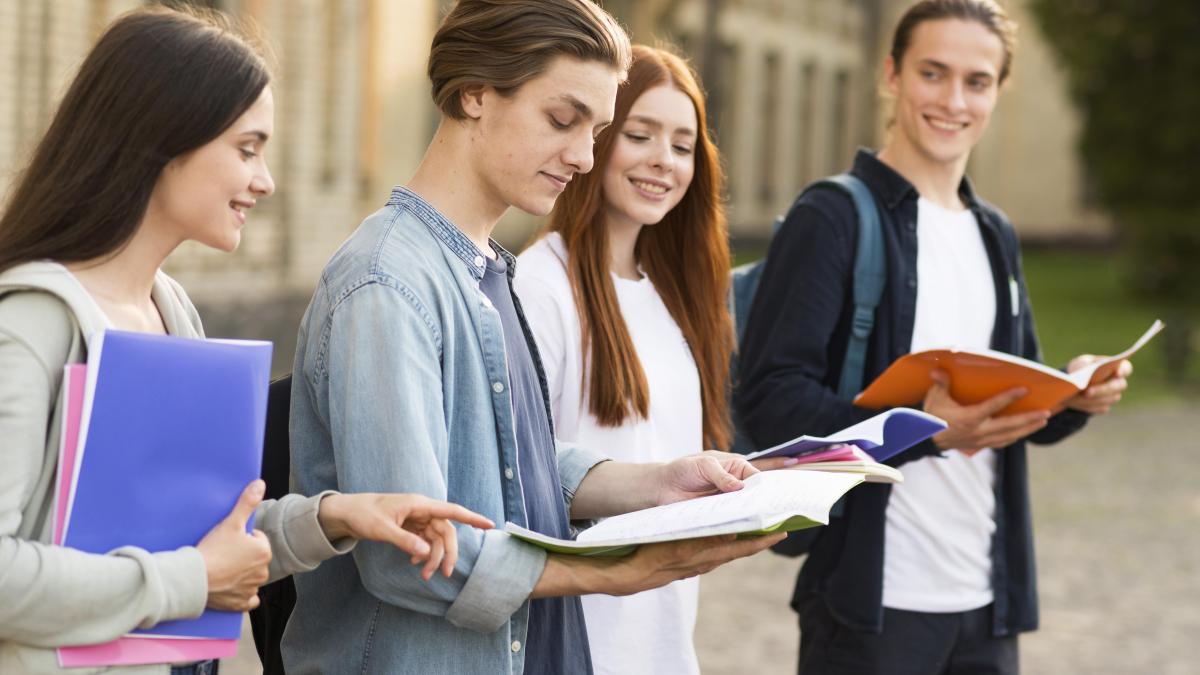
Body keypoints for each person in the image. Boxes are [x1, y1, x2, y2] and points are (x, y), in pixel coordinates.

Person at [285, 2, 784, 673]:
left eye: (597, 130)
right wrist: (611, 569)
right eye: (562, 119)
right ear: (475, 93)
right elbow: (410, 549)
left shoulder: (485, 268)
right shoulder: (387, 283)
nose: (585, 156)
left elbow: (511, 463)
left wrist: (659, 482)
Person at [0, 8, 491, 674]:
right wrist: (193, 578)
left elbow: (207, 536)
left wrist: (340, 515)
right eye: (247, 148)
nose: (265, 180)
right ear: (164, 139)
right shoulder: (31, 323)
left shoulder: (173, 310)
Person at [734, 1, 1134, 673]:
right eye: (932, 73)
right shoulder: (830, 217)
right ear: (891, 74)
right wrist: (924, 430)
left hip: (986, 607)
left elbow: (1013, 403)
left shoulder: (994, 233)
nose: (953, 101)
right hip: (869, 610)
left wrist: (1074, 393)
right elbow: (772, 400)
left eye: (976, 81)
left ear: (998, 91)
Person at [514, 44, 736, 674]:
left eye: (682, 145)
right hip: (576, 642)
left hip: (664, 642)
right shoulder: (539, 287)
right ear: (595, 140)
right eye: (640, 135)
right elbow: (521, 478)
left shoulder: (675, 296)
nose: (663, 159)